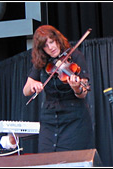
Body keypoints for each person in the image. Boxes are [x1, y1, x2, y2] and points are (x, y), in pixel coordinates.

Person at [23, 25, 95, 153]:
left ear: (57, 39)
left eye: (51, 42)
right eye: (45, 46)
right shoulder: (42, 61)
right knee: (47, 160)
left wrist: (76, 88)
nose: (50, 47)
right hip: (49, 119)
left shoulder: (75, 56)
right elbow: (26, 90)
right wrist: (33, 86)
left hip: (74, 120)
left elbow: (83, 94)